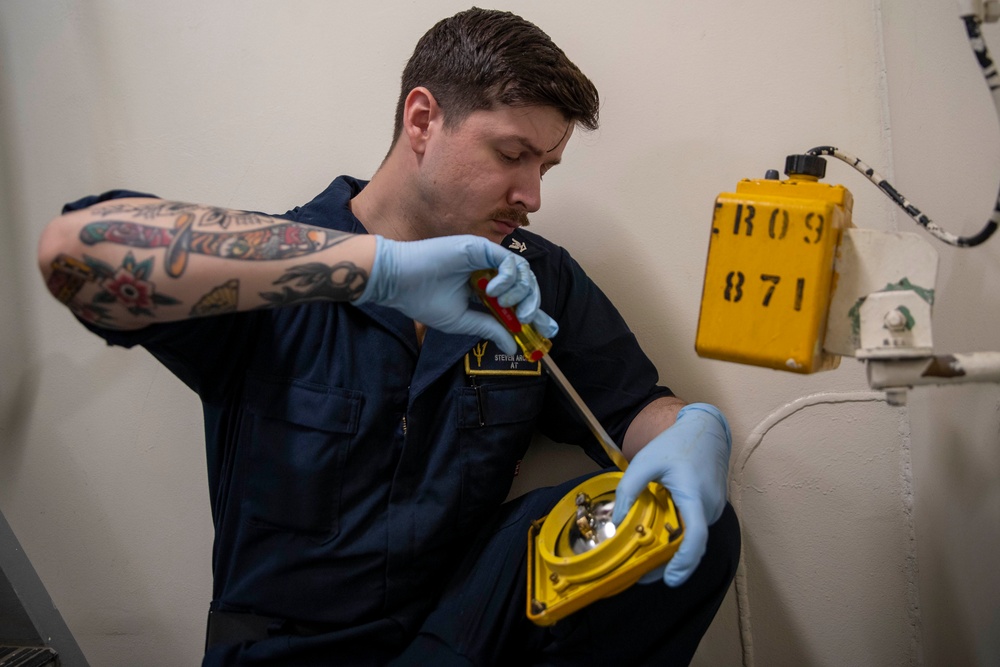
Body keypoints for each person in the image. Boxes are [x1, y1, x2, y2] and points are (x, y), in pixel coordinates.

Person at [37, 7, 740, 666]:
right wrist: (376, 270)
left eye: (545, 167)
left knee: (687, 527)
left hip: (457, 632)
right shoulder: (272, 264)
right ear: (423, 119)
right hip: (289, 646)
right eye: (511, 154)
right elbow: (74, 253)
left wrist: (691, 430)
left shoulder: (532, 277)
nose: (533, 194)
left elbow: (631, 408)